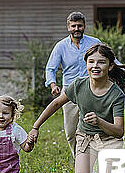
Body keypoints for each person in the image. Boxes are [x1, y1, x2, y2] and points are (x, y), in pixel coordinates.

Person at [30, 44, 125, 173]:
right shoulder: (78, 85)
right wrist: (36, 126)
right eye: (91, 62)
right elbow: (56, 103)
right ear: (86, 64)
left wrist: (100, 121)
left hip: (110, 141)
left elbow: (119, 131)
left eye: (101, 62)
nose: (95, 66)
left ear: (110, 66)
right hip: (85, 138)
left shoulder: (116, 94)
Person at [44, 12, 106, 158]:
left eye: (79, 25)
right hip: (69, 93)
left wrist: (124, 72)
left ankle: (95, 159)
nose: (76, 29)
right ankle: (78, 160)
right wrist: (53, 85)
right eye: (73, 26)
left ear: (84, 26)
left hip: (92, 89)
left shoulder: (94, 42)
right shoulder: (60, 46)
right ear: (68, 27)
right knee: (71, 132)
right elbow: (50, 68)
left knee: (94, 128)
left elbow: (110, 59)